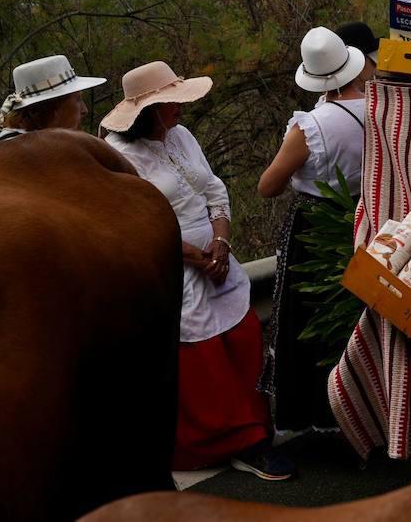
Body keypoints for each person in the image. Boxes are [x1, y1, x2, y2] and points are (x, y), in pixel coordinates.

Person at [103, 61, 294, 481]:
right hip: (173, 264)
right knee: (202, 357)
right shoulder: (121, 158)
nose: (180, 109)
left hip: (215, 255)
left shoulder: (182, 136)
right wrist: (194, 256)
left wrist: (221, 243)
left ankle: (253, 432)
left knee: (243, 337)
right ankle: (227, 443)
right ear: (147, 111)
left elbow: (213, 189)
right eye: (171, 102)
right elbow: (132, 223)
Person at [257, 27, 368, 431]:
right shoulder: (379, 109)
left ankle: (314, 413)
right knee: (355, 314)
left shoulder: (310, 127)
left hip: (314, 227)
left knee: (309, 319)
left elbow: (267, 186)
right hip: (365, 218)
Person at [0, 54, 105, 143]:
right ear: (49, 109)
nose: (84, 110)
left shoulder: (7, 144)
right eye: (78, 100)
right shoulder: (32, 154)